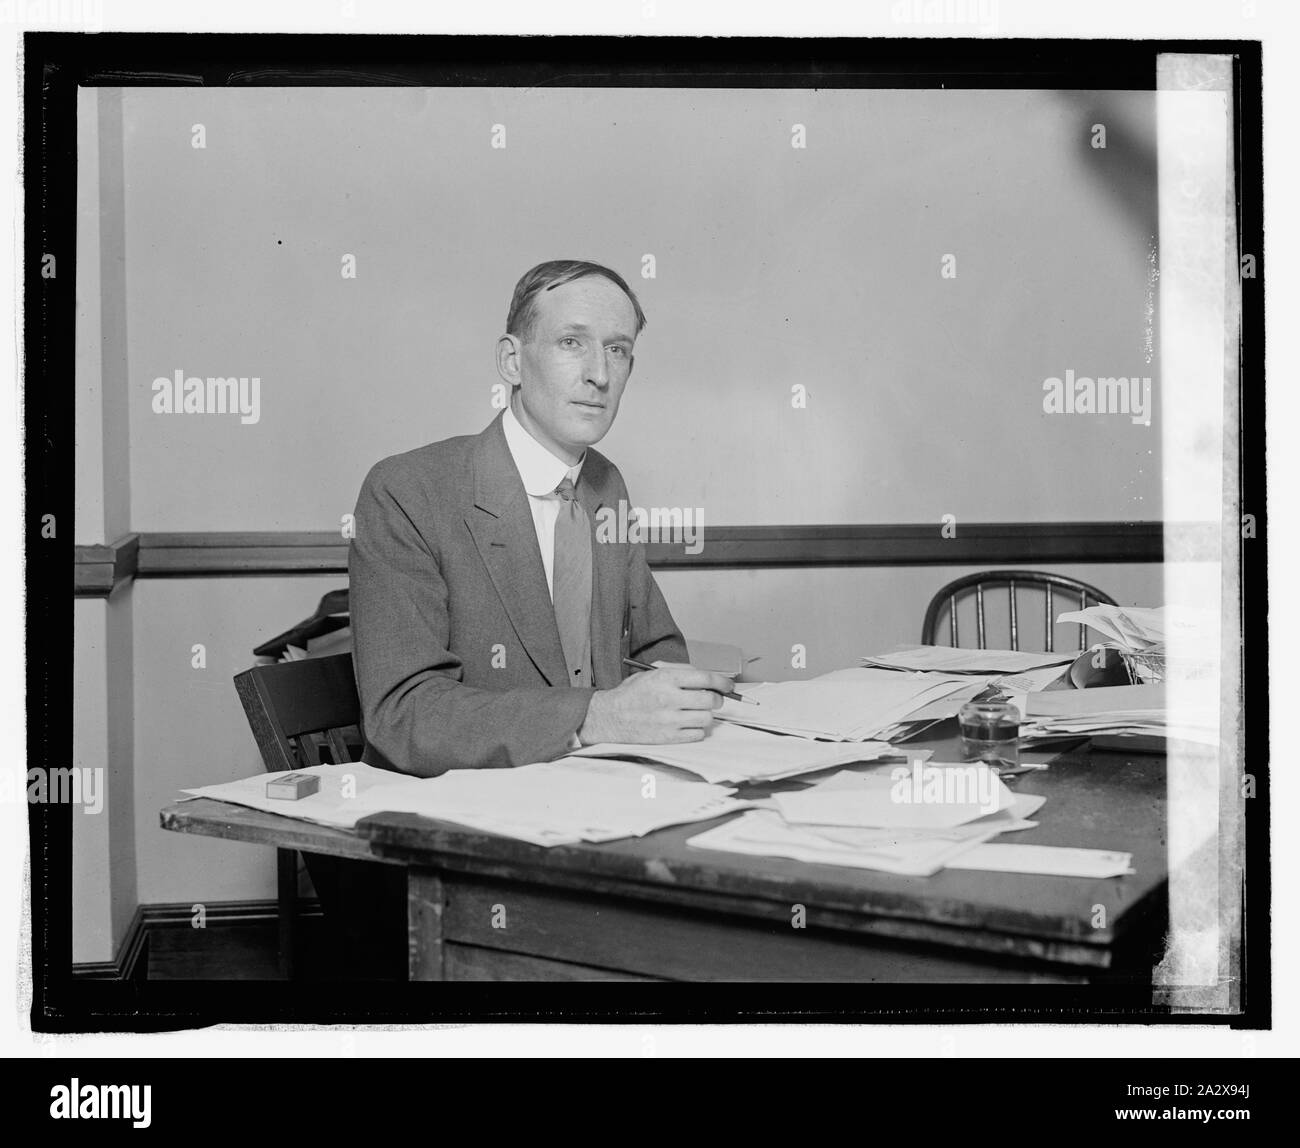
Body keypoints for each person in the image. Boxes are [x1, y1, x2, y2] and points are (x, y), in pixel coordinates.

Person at [349, 259, 733, 776]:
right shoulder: (408, 490)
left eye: (616, 350)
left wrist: (678, 696)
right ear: (511, 360)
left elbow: (654, 647)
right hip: (461, 819)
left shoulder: (604, 483)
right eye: (571, 343)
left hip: (594, 795)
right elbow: (404, 713)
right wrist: (597, 716)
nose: (599, 374)